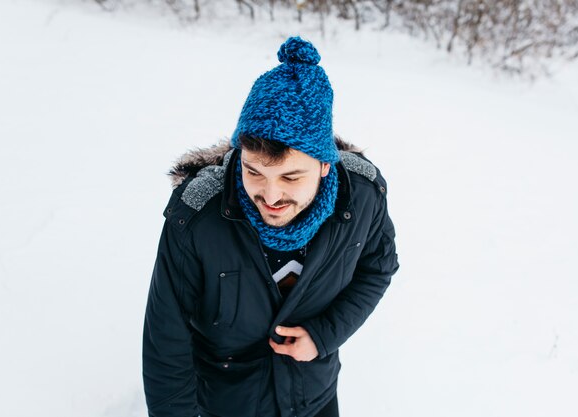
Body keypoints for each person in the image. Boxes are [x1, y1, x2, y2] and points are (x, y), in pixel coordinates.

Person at [142, 36, 399, 417]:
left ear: (326, 164)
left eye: (292, 177)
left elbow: (377, 269)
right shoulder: (196, 216)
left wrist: (325, 333)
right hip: (226, 401)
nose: (270, 195)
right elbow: (167, 338)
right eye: (253, 171)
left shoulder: (362, 198)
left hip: (313, 396)